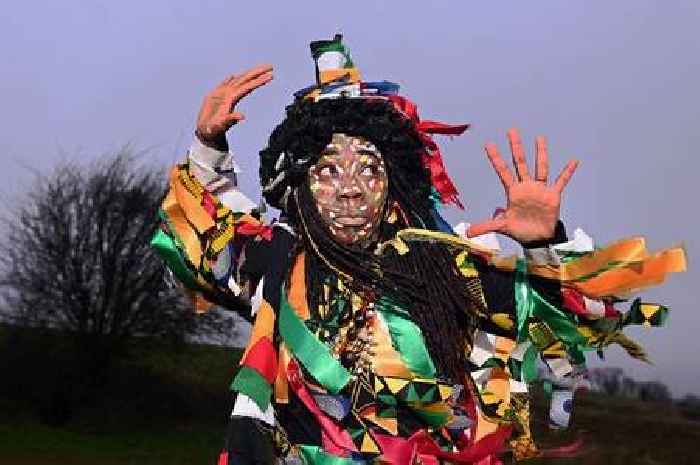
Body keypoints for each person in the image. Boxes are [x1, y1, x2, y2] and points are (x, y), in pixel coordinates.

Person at [151, 35, 686, 465]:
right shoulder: (278, 261)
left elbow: (567, 318)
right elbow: (201, 243)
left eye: (368, 168)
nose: (349, 187)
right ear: (300, 187)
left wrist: (545, 241)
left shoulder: (444, 269)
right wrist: (207, 146)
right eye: (327, 170)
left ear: (395, 190)